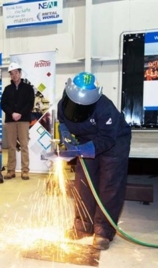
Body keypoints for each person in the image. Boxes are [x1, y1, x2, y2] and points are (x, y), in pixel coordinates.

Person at [57, 72, 131, 250]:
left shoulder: (105, 107)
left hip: (113, 142)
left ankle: (103, 231)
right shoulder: (62, 104)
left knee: (109, 185)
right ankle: (83, 226)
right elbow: (63, 122)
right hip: (85, 140)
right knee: (83, 183)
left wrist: (86, 149)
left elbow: (107, 139)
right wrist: (66, 134)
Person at [1, 62, 35, 180]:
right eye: (12, 73)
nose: (14, 75)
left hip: (24, 120)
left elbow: (30, 103)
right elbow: (3, 104)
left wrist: (20, 113)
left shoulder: (28, 88)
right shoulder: (7, 89)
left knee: (24, 145)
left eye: (16, 73)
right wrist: (12, 113)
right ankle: (11, 170)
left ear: (20, 73)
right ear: (10, 75)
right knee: (11, 146)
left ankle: (25, 171)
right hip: (10, 121)